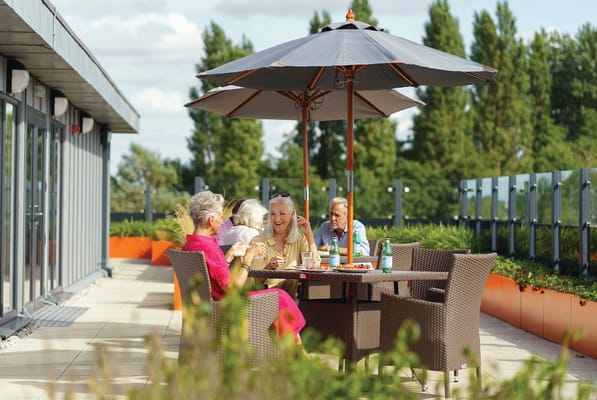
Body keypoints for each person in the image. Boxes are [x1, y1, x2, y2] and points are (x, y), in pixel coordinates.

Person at [181, 190, 305, 342]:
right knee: (279, 297)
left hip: (211, 306)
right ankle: (295, 351)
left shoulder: (191, 244)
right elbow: (233, 287)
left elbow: (212, 275)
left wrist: (228, 257)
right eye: (220, 216)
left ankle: (294, 348)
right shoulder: (208, 248)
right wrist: (248, 258)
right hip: (228, 307)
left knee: (280, 297)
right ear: (211, 220)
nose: (223, 220)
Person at [252, 192, 318, 298]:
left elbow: (314, 265)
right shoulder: (259, 241)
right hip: (265, 302)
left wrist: (309, 235)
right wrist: (269, 267)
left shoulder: (299, 240)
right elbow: (255, 280)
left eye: (282, 214)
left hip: (293, 299)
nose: (277, 219)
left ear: (292, 214)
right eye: (273, 214)